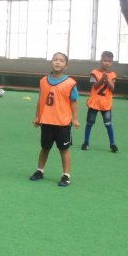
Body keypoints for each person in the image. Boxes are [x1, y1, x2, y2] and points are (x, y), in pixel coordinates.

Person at [29, 52, 80, 187]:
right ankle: (40, 170)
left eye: (61, 61)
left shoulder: (70, 83)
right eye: (55, 60)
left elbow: (74, 102)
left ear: (66, 65)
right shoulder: (43, 81)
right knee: (45, 147)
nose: (58, 62)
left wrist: (75, 119)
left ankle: (66, 175)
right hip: (46, 121)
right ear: (51, 62)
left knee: (64, 149)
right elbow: (41, 100)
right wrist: (37, 116)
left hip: (62, 123)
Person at [82, 50, 119, 152]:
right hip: (94, 103)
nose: (107, 63)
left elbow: (112, 88)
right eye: (105, 60)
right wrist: (102, 79)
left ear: (112, 63)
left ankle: (112, 144)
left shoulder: (113, 74)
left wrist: (107, 80)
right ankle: (86, 142)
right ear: (101, 61)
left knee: (108, 124)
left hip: (106, 104)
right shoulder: (94, 72)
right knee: (90, 123)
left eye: (109, 61)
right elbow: (94, 86)